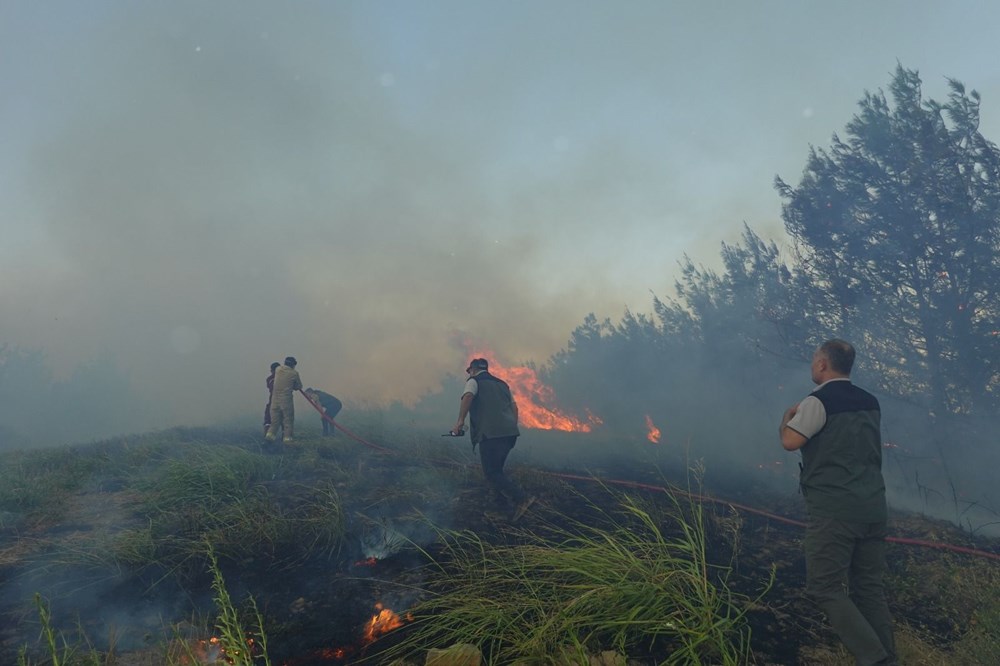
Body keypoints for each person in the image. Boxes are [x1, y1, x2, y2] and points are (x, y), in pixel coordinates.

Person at [780, 339, 896, 665]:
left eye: (815, 359)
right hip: (874, 508)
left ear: (823, 364)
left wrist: (785, 418)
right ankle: (889, 659)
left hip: (836, 512)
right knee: (869, 589)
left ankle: (875, 659)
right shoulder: (870, 402)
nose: (812, 364)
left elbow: (790, 441)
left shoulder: (818, 402)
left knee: (824, 587)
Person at [452, 358, 535, 521]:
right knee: (497, 471)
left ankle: (522, 498)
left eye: (469, 371)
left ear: (473, 369)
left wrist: (460, 422)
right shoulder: (503, 384)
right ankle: (501, 508)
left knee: (491, 472)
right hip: (509, 434)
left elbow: (467, 397)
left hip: (490, 435)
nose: (469, 374)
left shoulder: (473, 381)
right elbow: (515, 407)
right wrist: (510, 425)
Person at [265, 356, 302, 443]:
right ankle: (287, 442)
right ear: (293, 365)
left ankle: (268, 441)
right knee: (288, 422)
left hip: (274, 402)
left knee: (274, 423)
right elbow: (298, 386)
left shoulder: (277, 369)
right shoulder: (294, 373)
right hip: (286, 402)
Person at [263, 362, 280, 436]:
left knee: (268, 418)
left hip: (274, 401)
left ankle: (268, 437)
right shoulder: (270, 379)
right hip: (282, 401)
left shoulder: (270, 379)